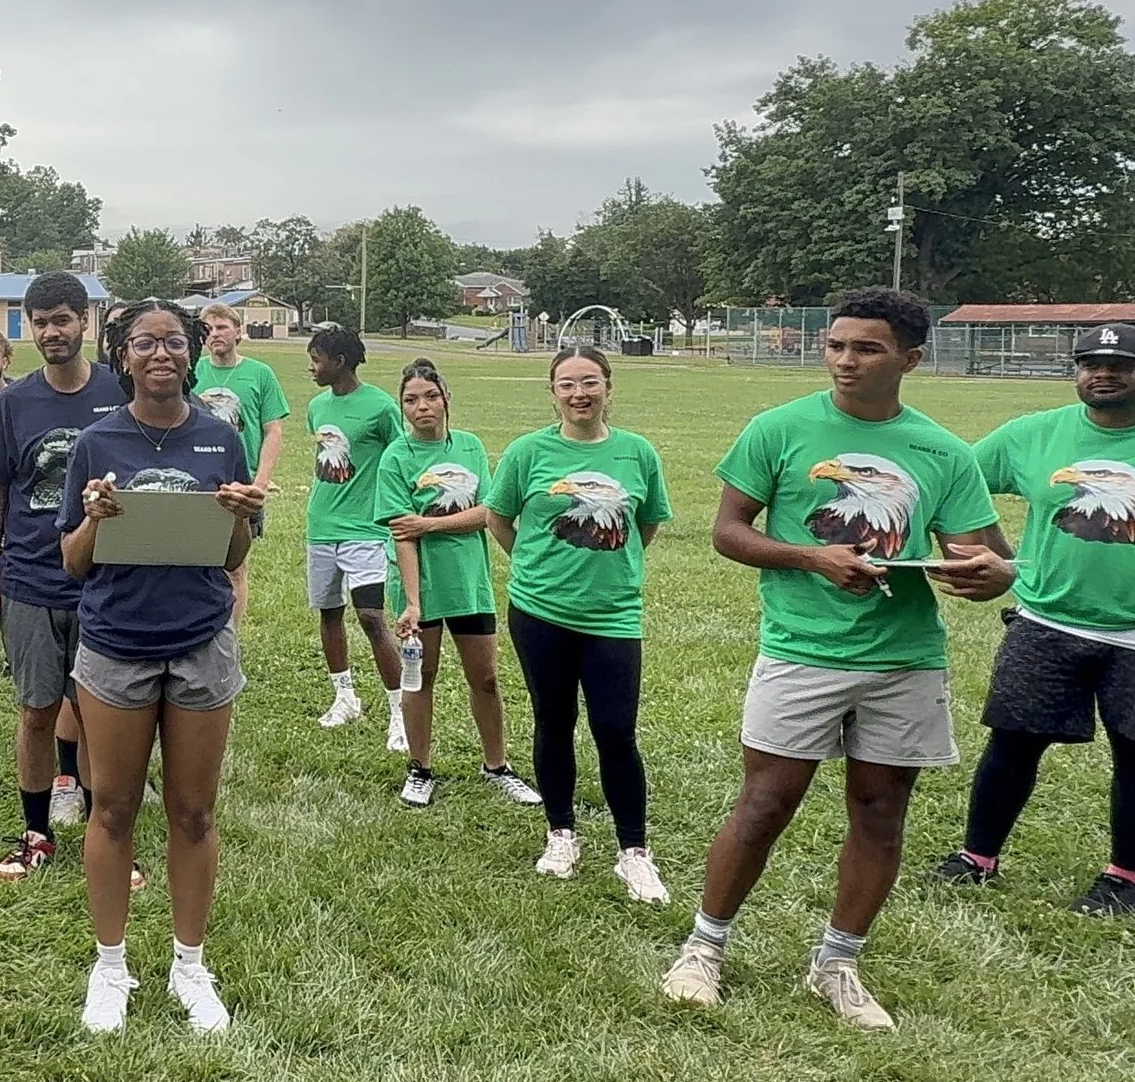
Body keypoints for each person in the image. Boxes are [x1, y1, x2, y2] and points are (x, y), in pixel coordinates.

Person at [662, 288, 1015, 1031]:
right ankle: (703, 949)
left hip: (906, 658)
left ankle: (838, 963)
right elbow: (728, 532)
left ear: (910, 358)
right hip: (801, 650)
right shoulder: (779, 429)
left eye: (867, 348)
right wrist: (811, 558)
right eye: (836, 345)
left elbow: (986, 559)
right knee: (764, 804)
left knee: (881, 814)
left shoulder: (943, 451)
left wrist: (986, 576)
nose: (845, 361)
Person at [60, 299, 266, 1035]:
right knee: (112, 808)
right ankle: (110, 965)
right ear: (123, 355)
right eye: (144, 343)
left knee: (194, 810)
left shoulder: (220, 439)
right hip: (116, 644)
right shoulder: (95, 441)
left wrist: (239, 513)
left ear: (193, 353)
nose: (160, 354)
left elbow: (234, 555)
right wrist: (94, 518)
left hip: (200, 642)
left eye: (174, 342)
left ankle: (189, 963)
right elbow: (74, 562)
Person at [931, 324, 1135, 916]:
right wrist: (991, 552)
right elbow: (955, 485)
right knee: (1013, 744)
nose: (1104, 373)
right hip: (1047, 621)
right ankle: (977, 857)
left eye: (1120, 363)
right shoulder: (1034, 434)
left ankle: (1124, 876)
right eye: (1091, 362)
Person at [486, 345, 672, 900]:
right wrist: (534, 566)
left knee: (616, 730)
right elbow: (499, 517)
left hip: (614, 615)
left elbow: (649, 522)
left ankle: (633, 851)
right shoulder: (527, 452)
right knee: (554, 720)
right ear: (553, 393)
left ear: (608, 388)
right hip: (539, 612)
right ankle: (561, 832)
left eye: (589, 382)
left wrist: (612, 570)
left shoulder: (637, 453)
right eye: (567, 384)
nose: (579, 394)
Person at [0, 272, 124, 877]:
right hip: (30, 580)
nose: (50, 332)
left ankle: (103, 830)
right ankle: (36, 834)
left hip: (104, 581)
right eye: (39, 323)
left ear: (82, 321)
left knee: (100, 712)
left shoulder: (120, 391)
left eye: (61, 319)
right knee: (37, 710)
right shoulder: (14, 402)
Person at [375, 359, 541, 809]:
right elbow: (400, 533)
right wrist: (411, 601)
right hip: (422, 588)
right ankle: (420, 768)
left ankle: (497, 766)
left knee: (485, 678)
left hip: (471, 585)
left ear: (447, 397)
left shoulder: (469, 446)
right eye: (411, 400)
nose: (421, 406)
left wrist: (428, 524)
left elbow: (488, 512)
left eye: (430, 396)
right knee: (420, 677)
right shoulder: (396, 457)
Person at [304, 324, 408, 751]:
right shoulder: (316, 406)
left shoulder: (382, 407)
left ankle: (401, 713)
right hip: (321, 525)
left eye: (317, 359)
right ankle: (345, 697)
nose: (311, 367)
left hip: (365, 528)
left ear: (340, 362)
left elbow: (403, 456)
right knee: (329, 613)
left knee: (370, 617)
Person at [195, 302, 291, 624]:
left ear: (238, 332)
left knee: (236, 566)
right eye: (208, 328)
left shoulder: (260, 374)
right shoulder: (192, 371)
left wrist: (259, 482)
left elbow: (273, 430)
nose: (215, 334)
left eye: (223, 327)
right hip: (199, 481)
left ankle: (230, 640)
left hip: (241, 482)